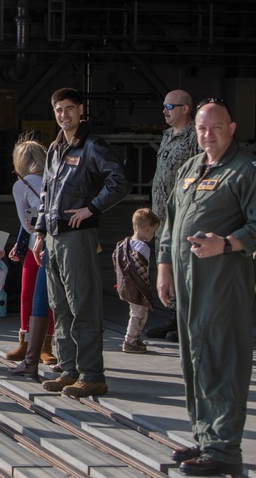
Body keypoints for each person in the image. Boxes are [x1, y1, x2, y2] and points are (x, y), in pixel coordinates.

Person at [156, 98, 256, 476]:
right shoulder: (189, 169)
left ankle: (224, 448)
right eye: (201, 128)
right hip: (187, 283)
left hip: (222, 284)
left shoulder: (244, 171)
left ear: (232, 129)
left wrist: (226, 244)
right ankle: (204, 435)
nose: (208, 134)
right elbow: (169, 222)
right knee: (194, 360)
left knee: (221, 360)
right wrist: (164, 266)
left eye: (216, 127)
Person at [32, 88, 130, 397]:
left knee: (82, 304)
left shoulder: (92, 146)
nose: (64, 114)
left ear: (81, 109)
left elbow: (120, 181)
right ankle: (70, 368)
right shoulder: (55, 149)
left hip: (78, 236)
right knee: (60, 306)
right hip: (52, 236)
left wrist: (93, 208)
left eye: (69, 108)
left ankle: (92, 373)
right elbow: (45, 194)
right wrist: (38, 232)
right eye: (59, 109)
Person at [144, 90, 199, 343]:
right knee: (167, 269)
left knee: (185, 269)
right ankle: (174, 318)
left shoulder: (195, 138)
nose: (165, 111)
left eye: (170, 106)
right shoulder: (167, 136)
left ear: (185, 109)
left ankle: (187, 320)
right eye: (164, 106)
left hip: (183, 216)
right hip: (162, 218)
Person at [4, 137, 57, 370]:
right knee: (51, 296)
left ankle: (25, 343)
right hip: (53, 243)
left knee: (28, 294)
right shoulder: (53, 179)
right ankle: (47, 345)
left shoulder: (20, 185)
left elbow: (26, 221)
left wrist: (22, 243)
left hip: (36, 245)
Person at [112, 208, 159, 355]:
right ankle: (130, 340)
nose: (153, 234)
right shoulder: (143, 247)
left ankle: (136, 338)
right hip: (138, 286)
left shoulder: (123, 244)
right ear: (146, 229)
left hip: (126, 284)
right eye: (153, 231)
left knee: (135, 312)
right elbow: (142, 270)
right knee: (139, 314)